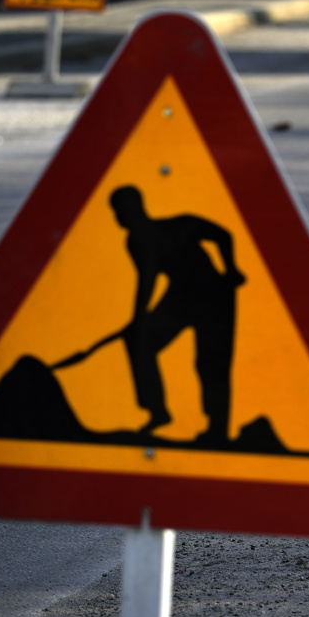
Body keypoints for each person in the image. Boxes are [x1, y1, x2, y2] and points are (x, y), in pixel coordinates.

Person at [109, 185, 246, 446]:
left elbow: (222, 235)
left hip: (213, 296)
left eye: (120, 210)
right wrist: (138, 322)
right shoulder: (137, 239)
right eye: (115, 211)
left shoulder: (177, 225)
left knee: (211, 364)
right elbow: (148, 278)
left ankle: (217, 430)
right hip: (181, 297)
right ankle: (157, 410)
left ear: (135, 208)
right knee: (141, 342)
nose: (118, 216)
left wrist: (231, 270)